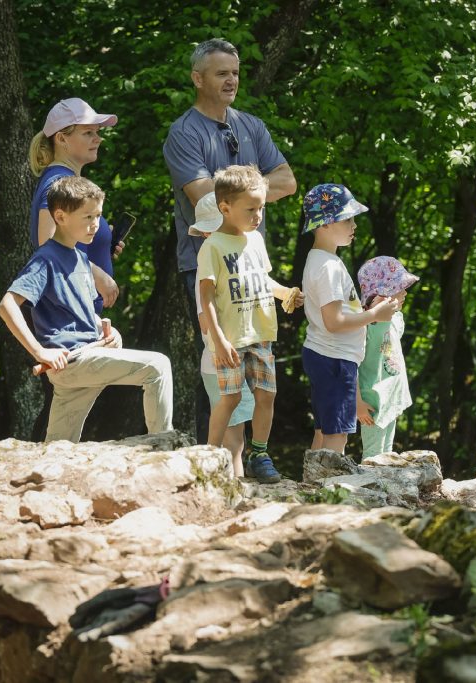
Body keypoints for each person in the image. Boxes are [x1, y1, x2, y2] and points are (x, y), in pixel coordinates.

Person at [163, 38, 297, 442]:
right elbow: (205, 201)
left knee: (260, 373)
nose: (231, 80)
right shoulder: (183, 133)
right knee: (222, 366)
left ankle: (255, 456)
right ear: (197, 79)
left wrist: (240, 194)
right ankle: (223, 460)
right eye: (221, 73)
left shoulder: (251, 125)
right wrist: (254, 190)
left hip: (253, 265)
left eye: (235, 73)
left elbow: (289, 181)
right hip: (206, 263)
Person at [0, 176, 173, 442]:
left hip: (85, 358)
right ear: (60, 216)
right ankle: (163, 447)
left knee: (58, 447)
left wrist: (107, 331)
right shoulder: (45, 259)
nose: (95, 224)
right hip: (73, 362)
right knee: (157, 366)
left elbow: (83, 313)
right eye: (88, 217)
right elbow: (7, 304)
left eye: (98, 216)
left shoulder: (80, 257)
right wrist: (40, 351)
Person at [197, 166, 301, 482]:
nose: (258, 216)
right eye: (251, 209)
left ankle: (260, 453)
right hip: (230, 338)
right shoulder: (212, 246)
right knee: (230, 399)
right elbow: (206, 297)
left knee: (266, 395)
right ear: (225, 207)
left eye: (261, 208)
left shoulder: (255, 240)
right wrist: (218, 340)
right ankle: (209, 457)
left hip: (260, 333)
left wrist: (286, 293)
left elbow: (262, 280)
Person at [300, 184, 398, 455]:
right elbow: (334, 322)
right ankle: (332, 481)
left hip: (327, 355)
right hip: (334, 358)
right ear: (324, 224)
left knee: (323, 430)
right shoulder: (328, 267)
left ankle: (313, 478)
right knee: (337, 434)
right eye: (347, 219)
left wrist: (366, 310)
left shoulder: (321, 260)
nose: (354, 225)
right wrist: (374, 315)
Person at [29, 97, 124, 312]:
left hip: (79, 314)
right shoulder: (58, 182)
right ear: (61, 138)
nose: (98, 139)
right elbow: (48, 247)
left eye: (97, 132)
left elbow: (68, 245)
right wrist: (96, 274)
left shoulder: (65, 180)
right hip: (67, 317)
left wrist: (101, 242)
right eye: (88, 133)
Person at [190, 191, 255, 476]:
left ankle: (230, 486)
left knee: (237, 438)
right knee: (233, 441)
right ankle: (229, 487)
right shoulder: (207, 272)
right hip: (220, 361)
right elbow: (205, 322)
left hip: (234, 359)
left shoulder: (232, 266)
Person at [355, 256, 419, 457]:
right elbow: (351, 365)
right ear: (383, 293)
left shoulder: (396, 319)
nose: (405, 292)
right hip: (373, 401)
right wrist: (357, 403)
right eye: (399, 287)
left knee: (387, 454)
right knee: (373, 455)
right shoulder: (364, 324)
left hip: (391, 397)